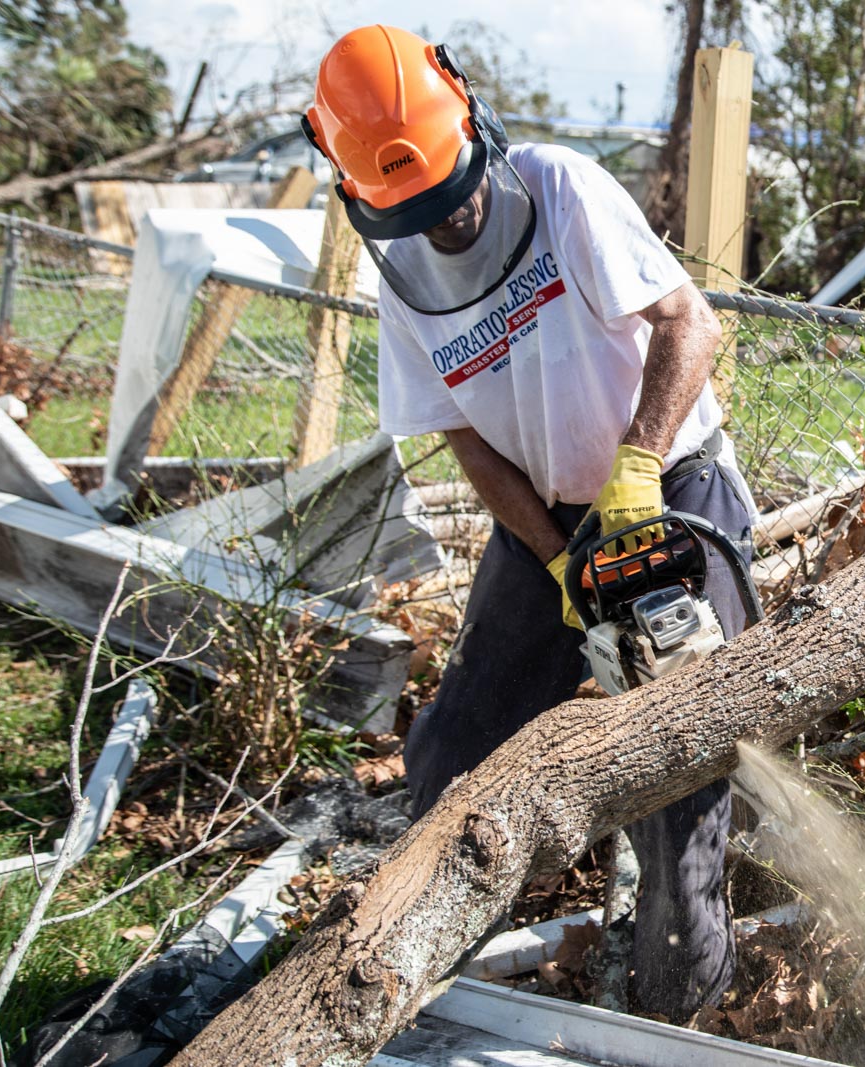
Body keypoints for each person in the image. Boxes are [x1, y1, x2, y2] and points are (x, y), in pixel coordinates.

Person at [301, 24, 756, 1020]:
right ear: (367, 198)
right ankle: (409, 984)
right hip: (542, 520)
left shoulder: (558, 187)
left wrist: (637, 468)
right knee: (453, 743)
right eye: (419, 207)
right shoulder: (404, 281)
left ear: (472, 122)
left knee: (681, 777)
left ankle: (676, 1017)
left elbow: (692, 322)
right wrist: (560, 564)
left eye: (456, 185)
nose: (454, 215)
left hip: (670, 485)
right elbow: (466, 440)